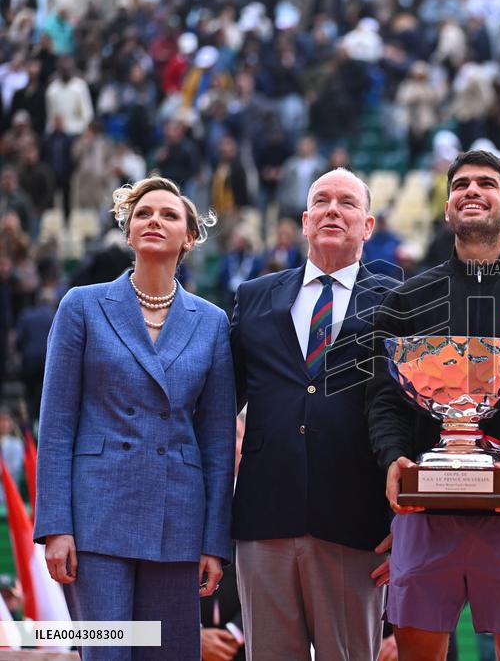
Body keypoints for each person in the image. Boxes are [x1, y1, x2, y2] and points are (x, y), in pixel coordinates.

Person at [368, 149, 500, 660]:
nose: (472, 191)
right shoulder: (408, 299)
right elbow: (385, 399)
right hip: (425, 511)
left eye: (486, 183)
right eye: (460, 184)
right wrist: (394, 456)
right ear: (446, 209)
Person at [34, 176, 235, 660]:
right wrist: (56, 526)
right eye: (143, 213)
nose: (154, 221)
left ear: (189, 237)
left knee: (167, 653)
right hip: (97, 518)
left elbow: (218, 441)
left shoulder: (211, 321)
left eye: (169, 215)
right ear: (128, 232)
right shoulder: (80, 306)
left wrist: (214, 541)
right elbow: (56, 424)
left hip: (179, 521)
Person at [230, 168, 396, 660]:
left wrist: (406, 520)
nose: (332, 210)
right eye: (321, 201)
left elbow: (414, 416)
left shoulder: (400, 303)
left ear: (368, 225)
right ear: (305, 221)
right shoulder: (253, 296)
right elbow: (222, 406)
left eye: (346, 203)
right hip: (263, 518)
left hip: (357, 523)